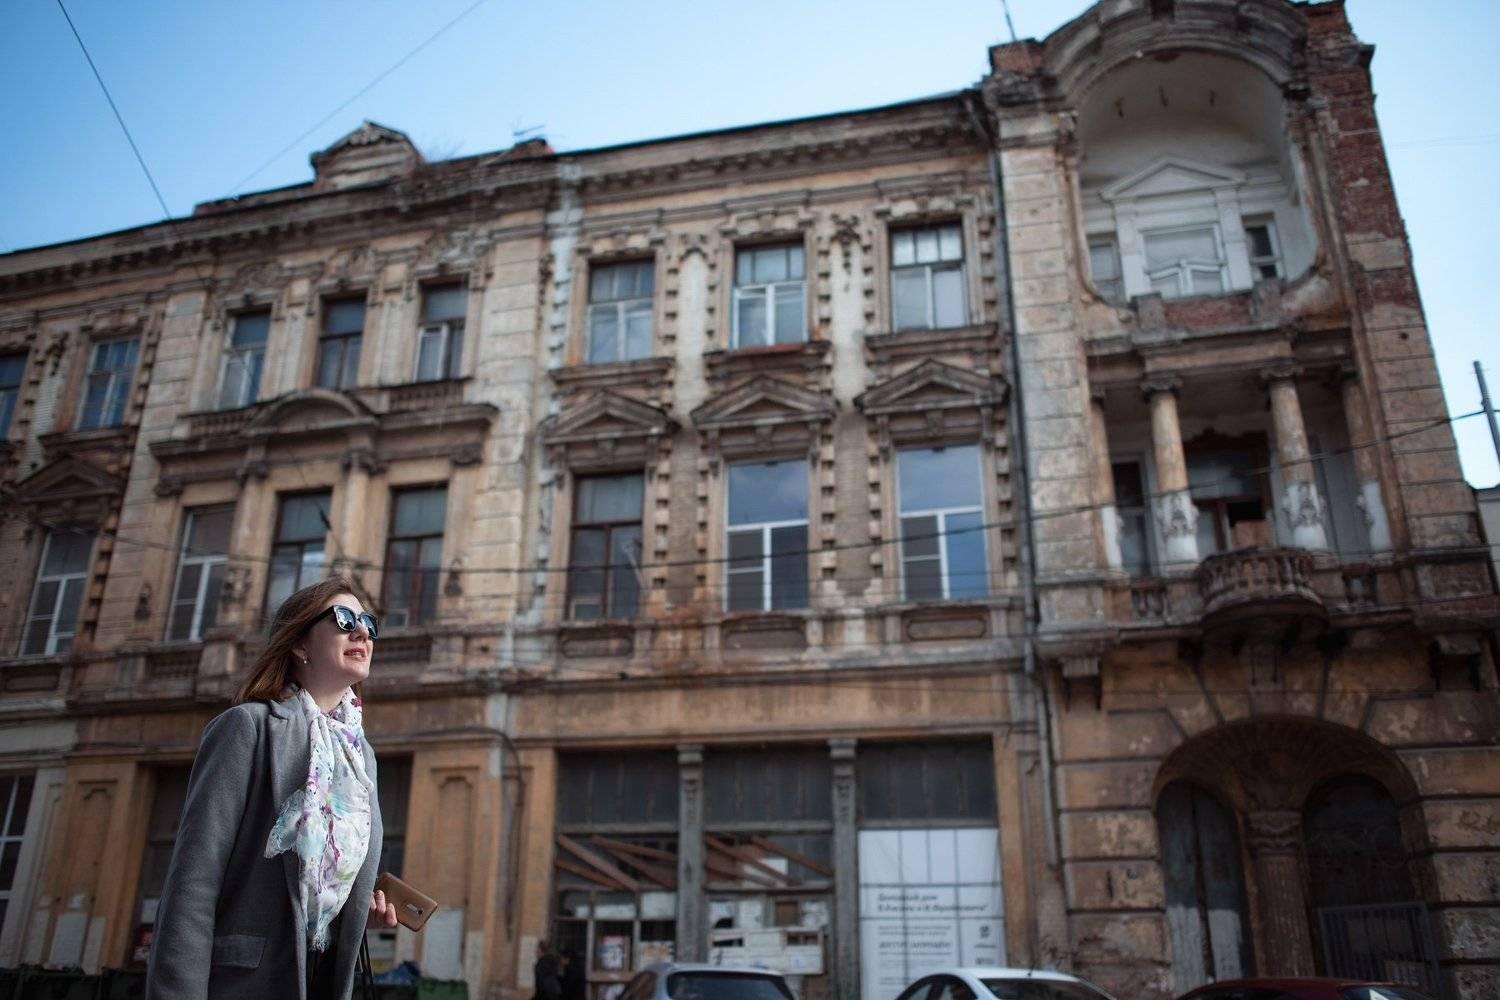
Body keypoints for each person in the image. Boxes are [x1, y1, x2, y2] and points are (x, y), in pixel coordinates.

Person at [146, 575, 399, 999]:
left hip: (320, 980)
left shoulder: (360, 758)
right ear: (299, 643)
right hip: (245, 983)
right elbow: (194, 883)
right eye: (343, 619)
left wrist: (352, 909)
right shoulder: (248, 728)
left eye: (368, 623)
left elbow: (310, 897)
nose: (362, 633)